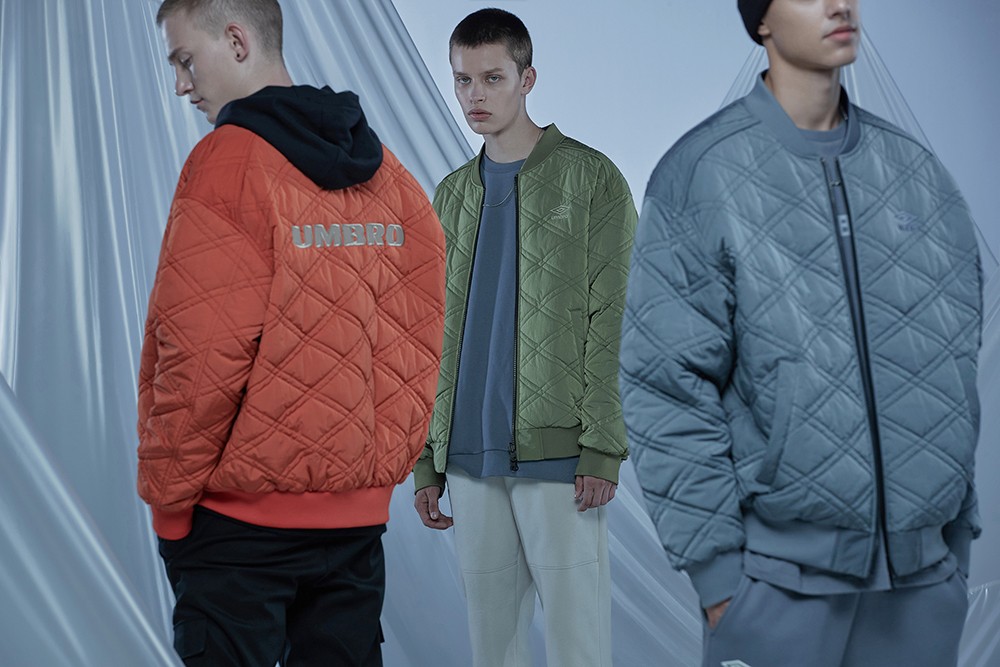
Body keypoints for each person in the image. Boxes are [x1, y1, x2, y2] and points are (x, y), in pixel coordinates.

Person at [621, 1, 982, 666]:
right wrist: (720, 582)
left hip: (922, 592)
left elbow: (954, 365)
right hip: (776, 591)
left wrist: (953, 551)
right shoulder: (702, 173)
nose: (839, 4)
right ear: (761, 20)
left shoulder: (916, 174)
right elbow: (664, 386)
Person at [136, 1, 446, 664]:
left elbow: (198, 356)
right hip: (355, 529)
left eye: (186, 60)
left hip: (238, 529)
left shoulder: (227, 162)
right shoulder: (390, 177)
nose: (182, 85)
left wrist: (170, 504)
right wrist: (373, 473)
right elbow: (420, 342)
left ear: (237, 41)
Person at [411, 8, 636, 666]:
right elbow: (428, 335)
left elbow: (615, 321)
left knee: (578, 646)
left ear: (527, 78)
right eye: (462, 80)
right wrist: (427, 458)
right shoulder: (450, 196)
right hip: (468, 459)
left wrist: (602, 448)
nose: (474, 96)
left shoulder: (592, 179)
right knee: (494, 649)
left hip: (559, 458)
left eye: (492, 78)